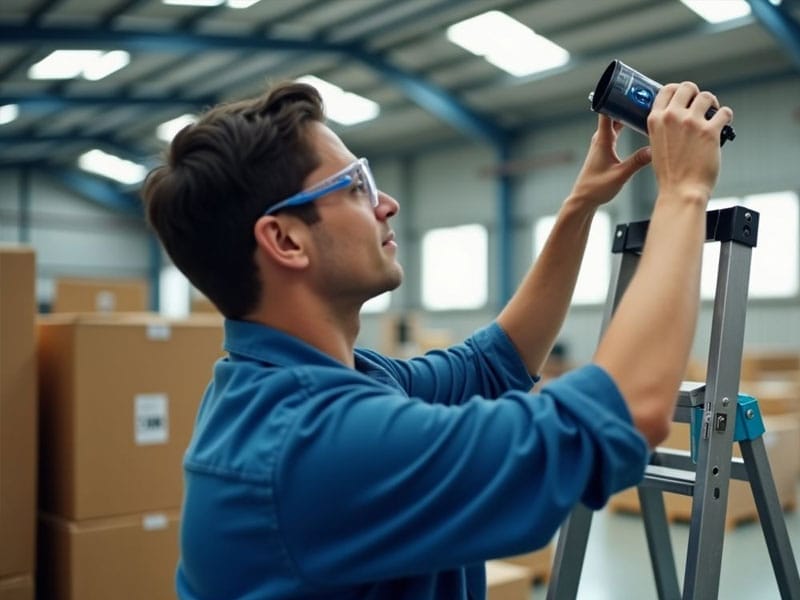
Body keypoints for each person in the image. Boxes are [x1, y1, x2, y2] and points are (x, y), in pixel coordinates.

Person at [142, 79, 732, 599]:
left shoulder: (320, 384)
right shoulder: (311, 444)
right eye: (355, 186)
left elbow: (492, 361)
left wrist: (581, 205)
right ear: (286, 241)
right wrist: (684, 193)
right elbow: (627, 413)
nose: (387, 205)